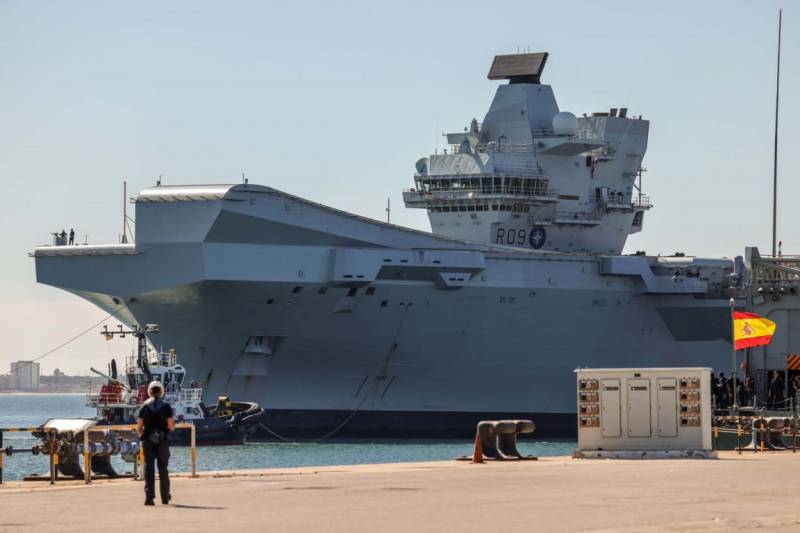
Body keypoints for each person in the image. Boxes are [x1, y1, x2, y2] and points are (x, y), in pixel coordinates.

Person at [137, 380, 175, 506]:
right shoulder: (166, 406)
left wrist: (142, 436)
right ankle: (165, 496)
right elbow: (171, 426)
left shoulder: (144, 406)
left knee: (149, 468)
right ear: (161, 391)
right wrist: (166, 432)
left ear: (150, 392)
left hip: (148, 440)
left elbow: (139, 427)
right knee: (163, 468)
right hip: (163, 440)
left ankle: (149, 497)